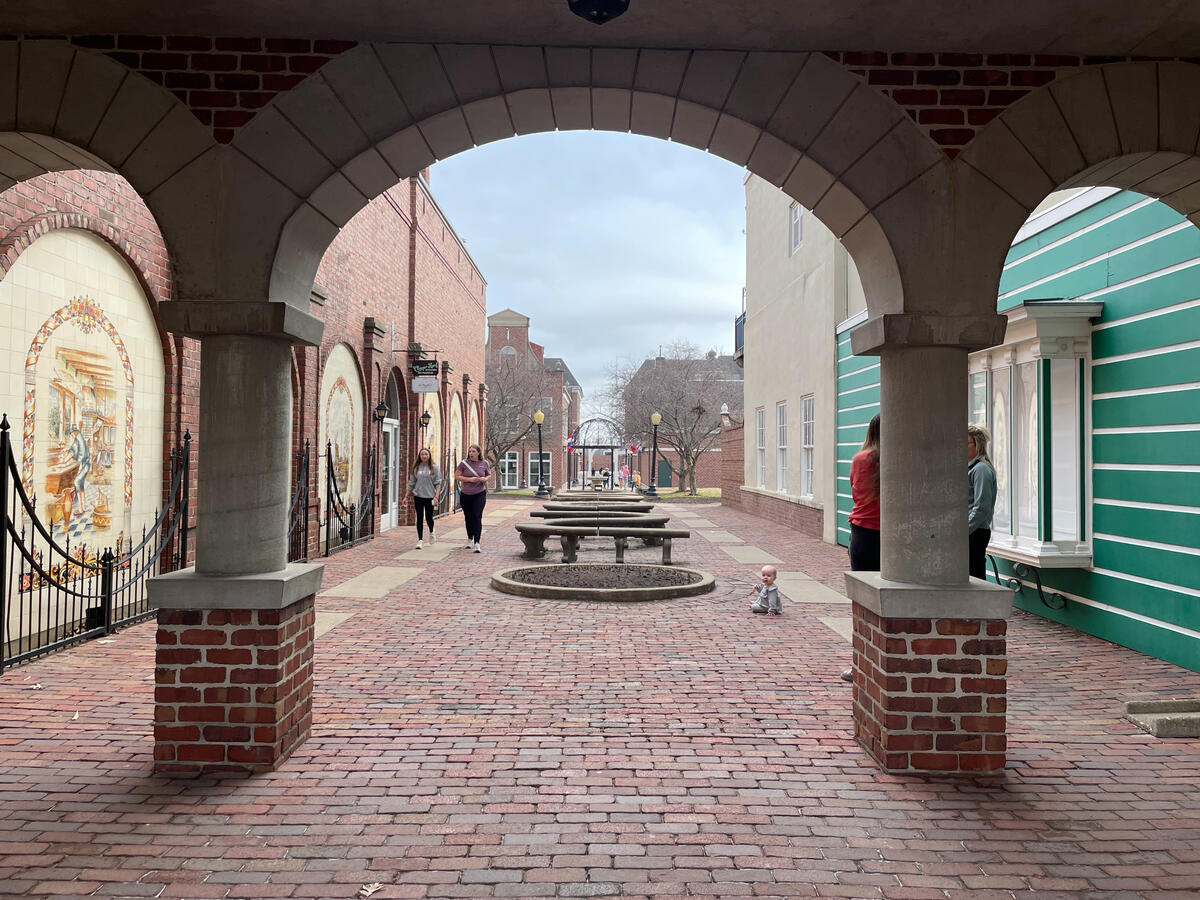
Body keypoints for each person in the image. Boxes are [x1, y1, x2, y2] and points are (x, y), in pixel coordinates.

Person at [843, 413, 880, 682]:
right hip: (892, 536)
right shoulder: (902, 459)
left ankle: (861, 664)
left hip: (863, 533)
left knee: (862, 601)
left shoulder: (860, 460)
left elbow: (855, 492)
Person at [967, 423, 998, 580]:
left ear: (977, 445)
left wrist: (963, 532)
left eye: (966, 443)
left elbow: (981, 508)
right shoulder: (970, 468)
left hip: (975, 532)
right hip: (971, 531)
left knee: (975, 576)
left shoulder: (981, 470)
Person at [456, 444, 490, 552]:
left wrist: (485, 479)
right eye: (470, 451)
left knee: (477, 516)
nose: (471, 453)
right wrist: (470, 480)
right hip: (466, 494)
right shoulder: (464, 463)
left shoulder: (484, 463)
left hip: (479, 494)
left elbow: (489, 474)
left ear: (478, 453)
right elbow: (457, 476)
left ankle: (477, 543)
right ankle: (470, 538)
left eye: (474, 451)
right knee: (468, 517)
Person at [407, 447, 442, 549]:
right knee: (419, 518)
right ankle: (420, 540)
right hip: (418, 496)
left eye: (426, 454)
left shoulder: (434, 468)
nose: (424, 456)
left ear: (429, 455)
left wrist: (436, 497)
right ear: (419, 456)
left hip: (430, 496)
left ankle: (432, 531)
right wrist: (406, 496)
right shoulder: (416, 468)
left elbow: (438, 483)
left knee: (428, 517)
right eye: (422, 454)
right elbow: (411, 483)